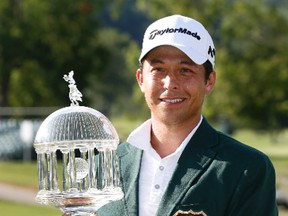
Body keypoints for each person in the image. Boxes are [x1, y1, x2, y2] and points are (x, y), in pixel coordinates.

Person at [99, 14, 278, 215]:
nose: (170, 83)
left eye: (185, 70)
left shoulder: (246, 168)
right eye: (158, 69)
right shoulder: (104, 166)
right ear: (141, 79)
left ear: (209, 81)